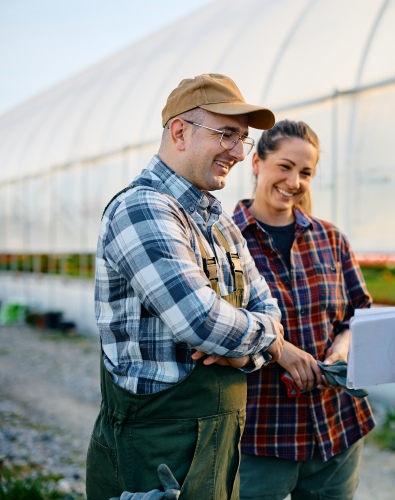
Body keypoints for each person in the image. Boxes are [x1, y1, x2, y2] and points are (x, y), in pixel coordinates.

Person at [87, 73, 285, 500]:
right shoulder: (142, 209)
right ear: (180, 132)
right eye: (227, 135)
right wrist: (261, 338)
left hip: (215, 450)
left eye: (242, 139)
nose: (236, 151)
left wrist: (242, 355)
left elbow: (269, 306)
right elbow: (202, 323)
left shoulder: (219, 221)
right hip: (155, 459)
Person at [232, 119, 375, 500]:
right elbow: (218, 327)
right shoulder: (226, 241)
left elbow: (359, 312)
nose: (294, 181)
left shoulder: (330, 238)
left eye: (306, 172)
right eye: (285, 166)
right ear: (256, 163)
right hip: (262, 435)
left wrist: (341, 349)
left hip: (335, 427)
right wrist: (281, 353)